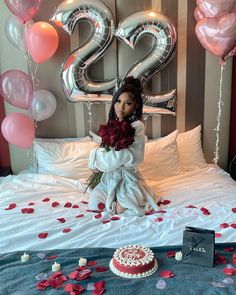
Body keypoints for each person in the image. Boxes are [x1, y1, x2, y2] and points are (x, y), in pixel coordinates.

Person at [88, 76, 158, 216]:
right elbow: (109, 151)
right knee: (95, 204)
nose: (121, 107)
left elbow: (125, 155)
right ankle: (112, 200)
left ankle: (124, 202)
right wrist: (102, 153)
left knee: (123, 207)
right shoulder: (112, 124)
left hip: (128, 179)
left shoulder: (136, 126)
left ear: (135, 106)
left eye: (128, 103)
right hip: (110, 177)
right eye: (118, 101)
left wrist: (96, 156)